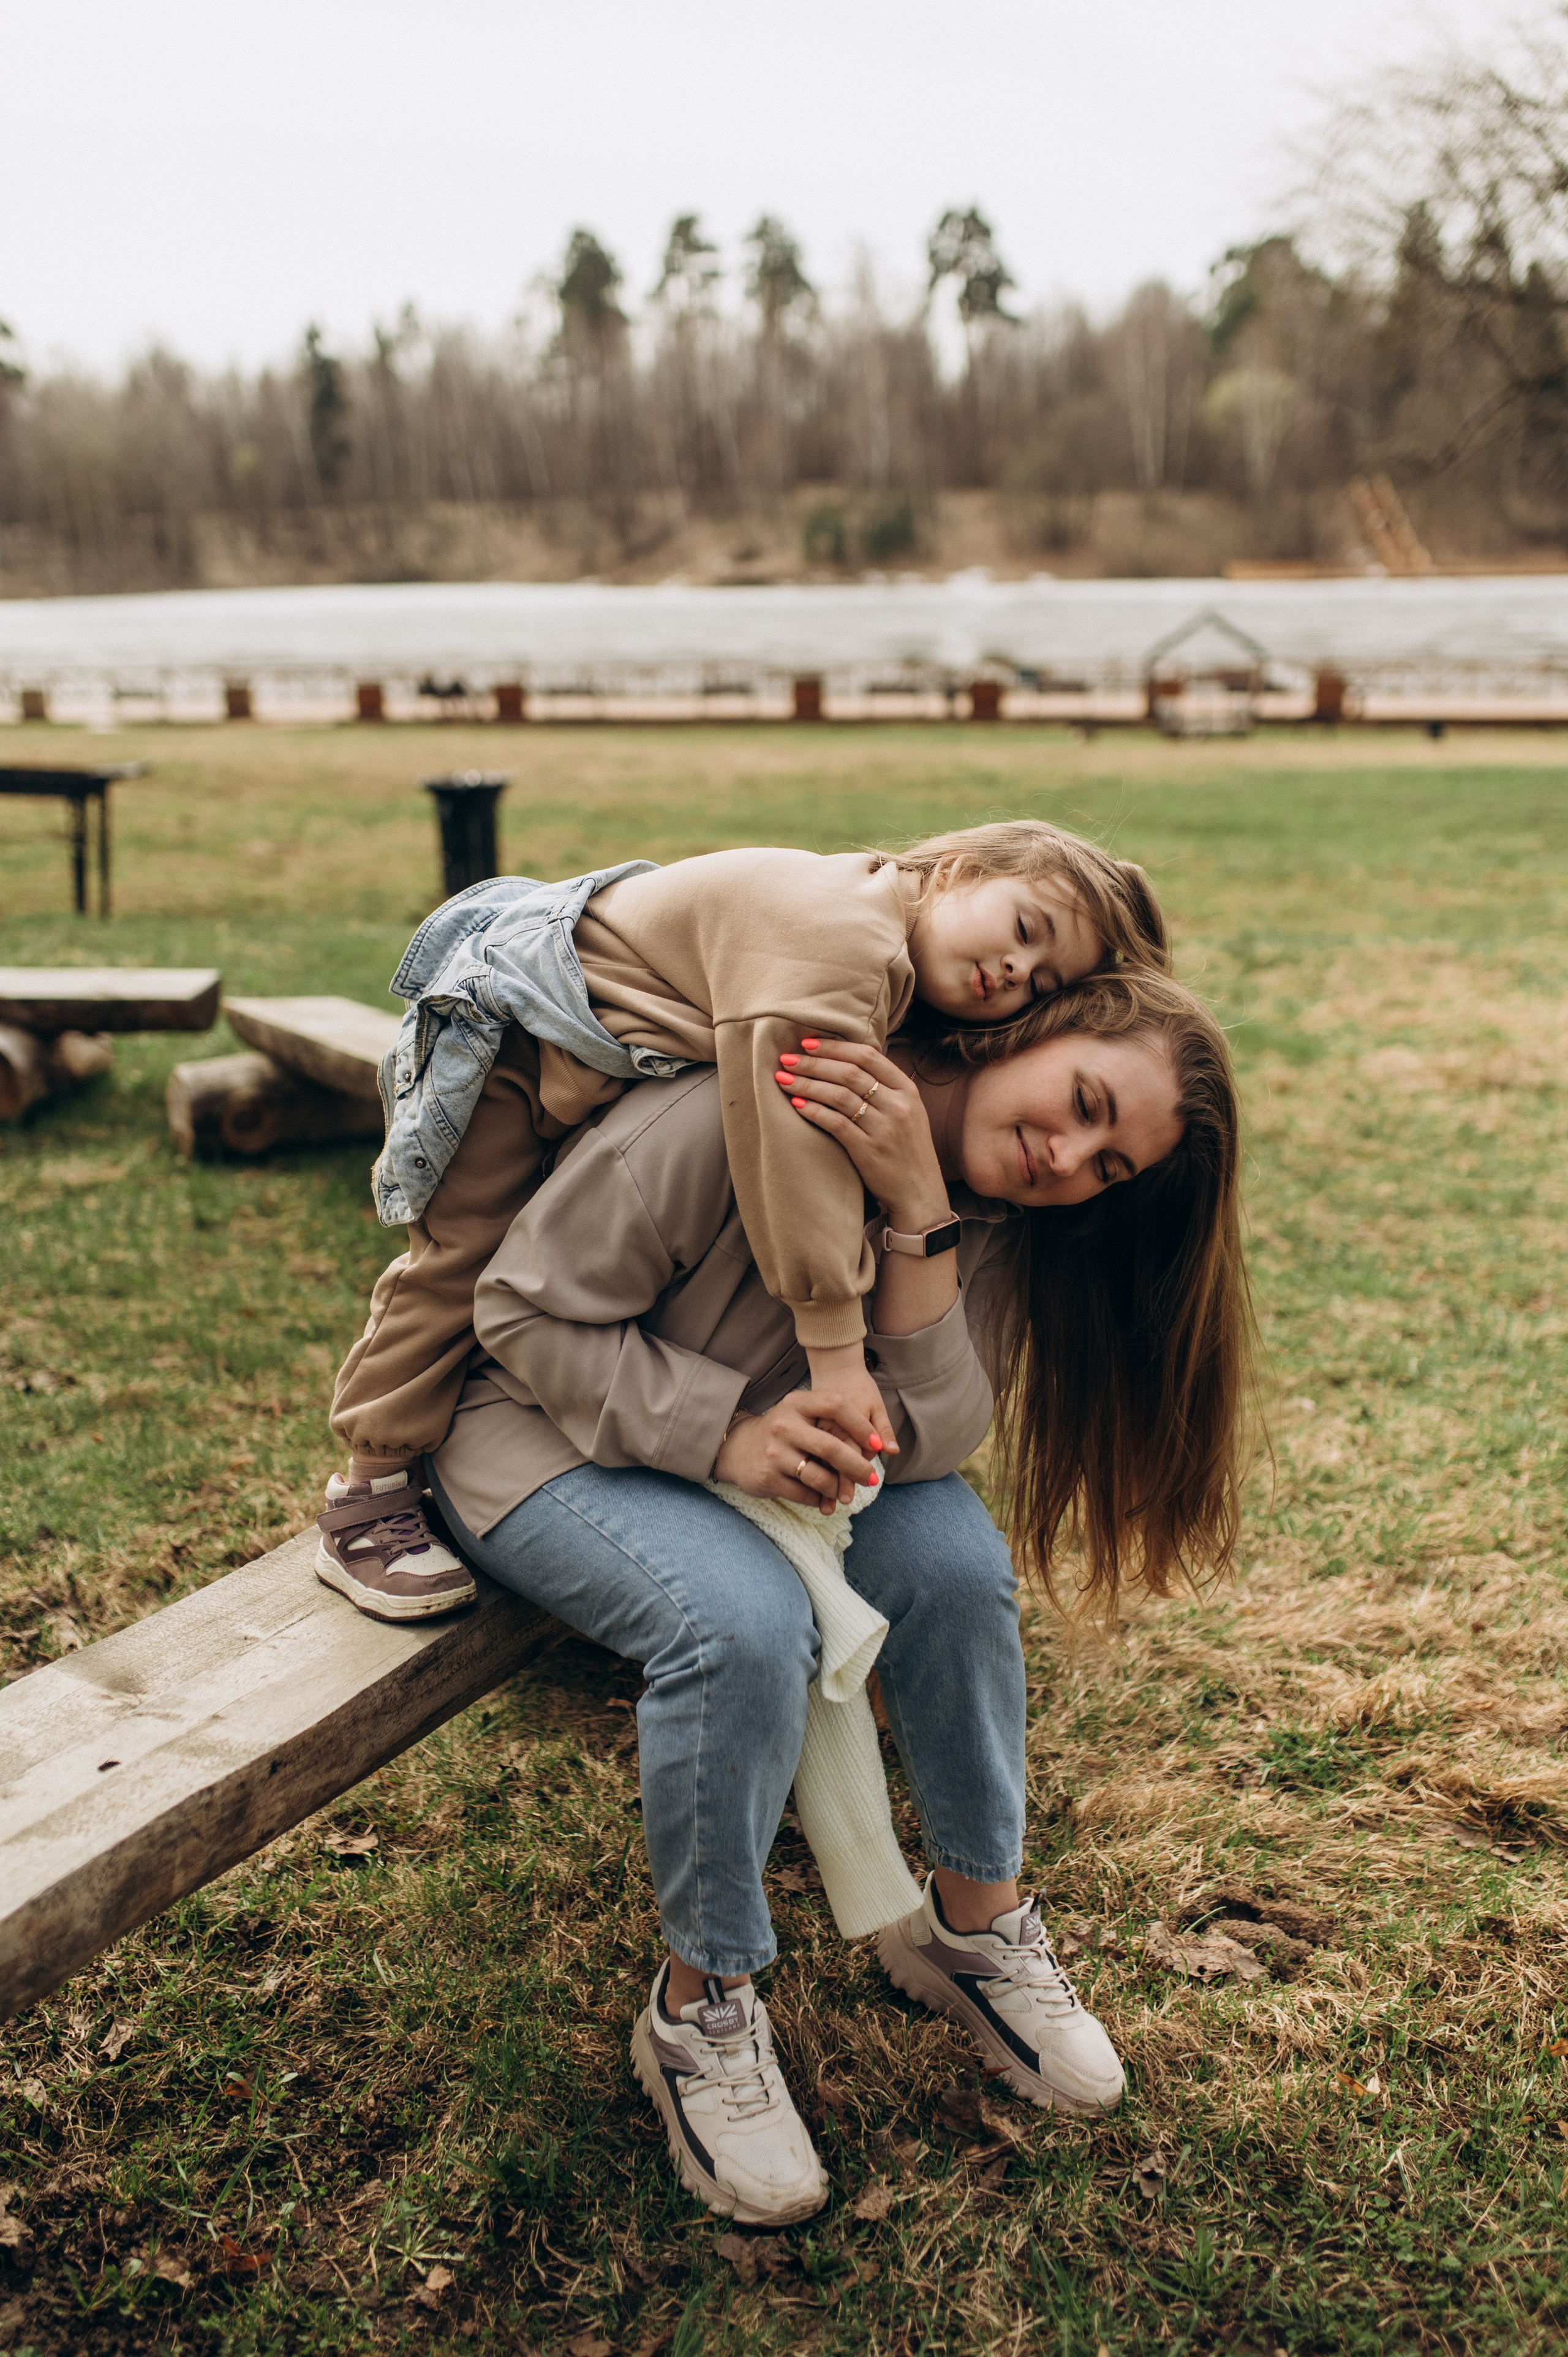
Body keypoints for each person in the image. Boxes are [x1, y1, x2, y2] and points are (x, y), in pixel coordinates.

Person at [423, 968, 1253, 2227]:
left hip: (786, 1467)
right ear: (1026, 1034)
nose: (1069, 1156)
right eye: (1081, 1101)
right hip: (547, 1433)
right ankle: (697, 2013)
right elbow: (521, 1314)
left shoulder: (990, 1211)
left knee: (958, 1568)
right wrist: (725, 1435)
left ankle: (970, 1924)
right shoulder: (740, 1107)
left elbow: (932, 1439)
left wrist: (920, 1222)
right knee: (741, 1623)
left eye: (1109, 1164)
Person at [315, 823, 1169, 1623]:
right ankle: (371, 1488)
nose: (1016, 972)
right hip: (510, 1035)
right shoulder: (837, 936)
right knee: (458, 1263)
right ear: (957, 871)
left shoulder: (894, 955)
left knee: (532, 1255)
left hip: (590, 1050)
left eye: (1046, 982)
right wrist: (835, 1355)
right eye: (1024, 928)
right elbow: (791, 1148)